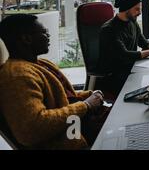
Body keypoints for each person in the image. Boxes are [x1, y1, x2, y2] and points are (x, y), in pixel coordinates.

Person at [0, 14, 105, 149]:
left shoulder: (41, 63)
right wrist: (86, 105)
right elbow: (32, 129)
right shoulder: (17, 76)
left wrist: (88, 96)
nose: (48, 36)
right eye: (44, 32)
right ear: (27, 39)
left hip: (78, 130)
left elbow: (61, 97)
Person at [99, 0, 149, 94]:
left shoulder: (132, 21)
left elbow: (143, 42)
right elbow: (125, 55)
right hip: (116, 74)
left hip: (131, 67)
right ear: (126, 9)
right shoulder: (109, 29)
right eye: (136, 9)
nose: (139, 13)